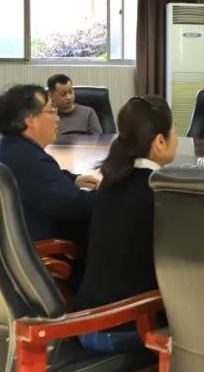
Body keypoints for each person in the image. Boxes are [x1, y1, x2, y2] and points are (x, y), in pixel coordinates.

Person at [76, 96, 178, 352]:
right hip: (126, 329)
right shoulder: (159, 192)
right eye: (174, 131)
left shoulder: (111, 181)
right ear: (160, 141)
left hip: (87, 323)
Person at [0, 84, 100, 243]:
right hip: (38, 246)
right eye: (52, 111)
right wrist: (111, 194)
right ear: (30, 120)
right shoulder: (30, 159)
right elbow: (77, 205)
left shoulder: (5, 147)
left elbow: (42, 180)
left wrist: (74, 179)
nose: (58, 118)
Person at [47, 74, 101, 139]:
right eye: (63, 94)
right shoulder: (48, 116)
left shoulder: (88, 113)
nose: (69, 97)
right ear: (51, 96)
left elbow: (97, 140)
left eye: (70, 92)